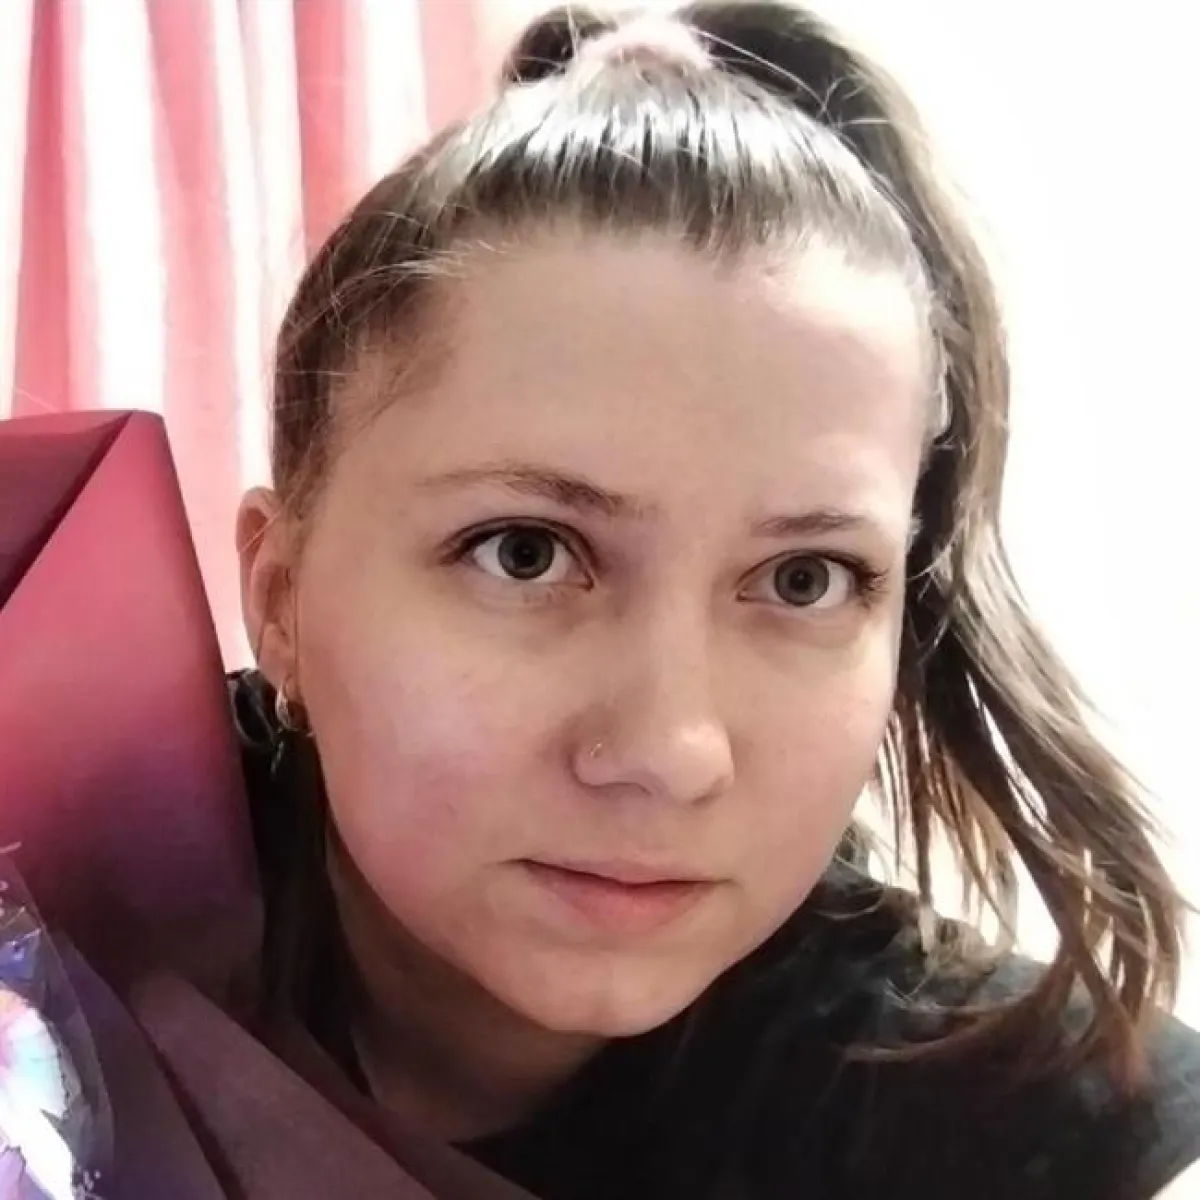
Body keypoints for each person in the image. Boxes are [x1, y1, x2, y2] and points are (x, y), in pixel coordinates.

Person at [227, 2, 1200, 1197]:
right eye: (525, 553)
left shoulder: (985, 1117)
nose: (671, 753)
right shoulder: (73, 904)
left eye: (804, 579)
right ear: (280, 597)